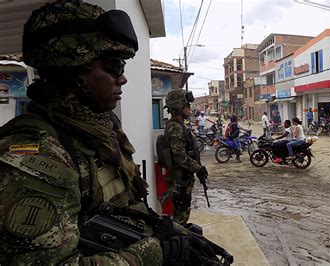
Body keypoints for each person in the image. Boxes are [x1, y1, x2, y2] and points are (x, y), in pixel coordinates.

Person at [0, 1, 224, 264]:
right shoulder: (35, 154)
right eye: (114, 66)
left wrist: (168, 231)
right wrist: (154, 253)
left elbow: (126, 204)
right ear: (73, 69)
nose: (123, 78)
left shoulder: (100, 128)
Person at [164, 89, 208, 225]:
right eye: (187, 106)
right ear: (179, 107)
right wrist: (198, 168)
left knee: (183, 214)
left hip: (183, 180)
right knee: (180, 219)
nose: (190, 109)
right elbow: (179, 156)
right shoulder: (175, 128)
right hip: (179, 182)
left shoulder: (180, 126)